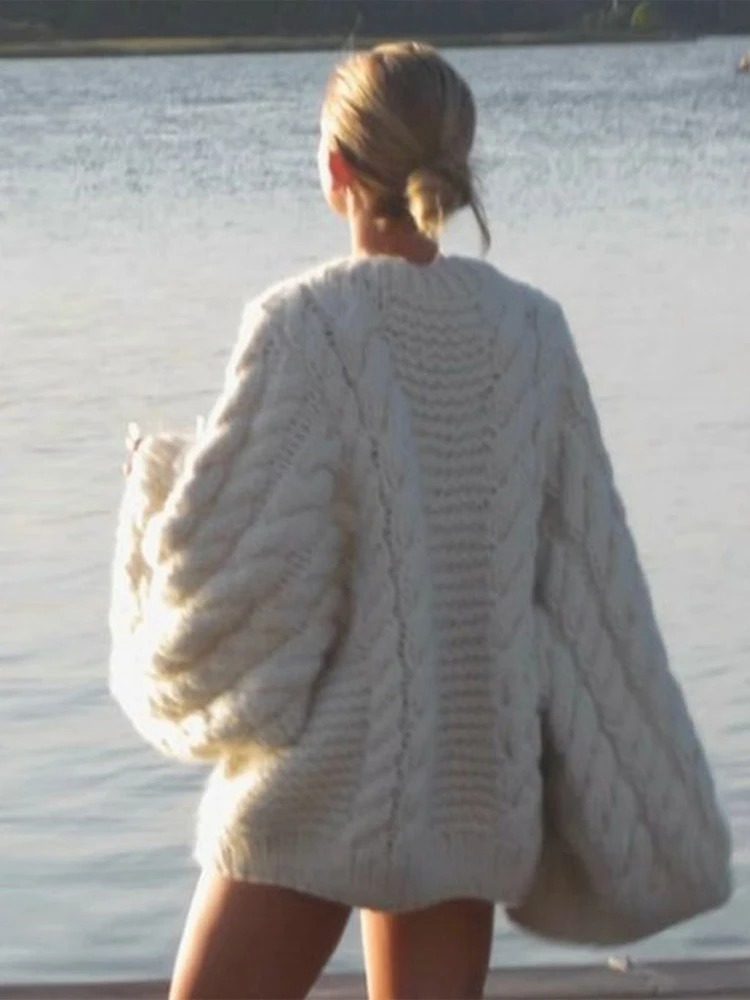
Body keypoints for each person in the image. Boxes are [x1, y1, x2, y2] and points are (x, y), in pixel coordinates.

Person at [110, 42, 732, 1000]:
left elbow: (234, 598)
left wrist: (153, 487)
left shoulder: (304, 325)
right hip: (470, 782)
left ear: (335, 170)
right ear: (456, 160)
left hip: (322, 787)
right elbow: (588, 583)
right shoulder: (533, 330)